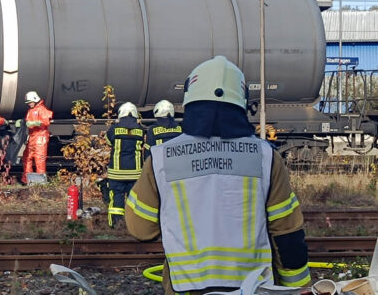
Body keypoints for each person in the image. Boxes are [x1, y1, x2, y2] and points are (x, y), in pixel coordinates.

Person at [125, 56, 309, 295]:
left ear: (189, 102)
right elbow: (287, 233)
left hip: (186, 288)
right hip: (253, 288)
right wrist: (297, 287)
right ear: (242, 104)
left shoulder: (161, 158)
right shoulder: (265, 157)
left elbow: (141, 229)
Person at [102, 102, 145, 227]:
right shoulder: (140, 130)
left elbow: (109, 142)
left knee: (116, 196)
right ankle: (135, 225)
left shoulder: (114, 129)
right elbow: (142, 144)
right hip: (135, 173)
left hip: (117, 172)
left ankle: (116, 224)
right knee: (134, 199)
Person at [21, 91, 53, 184]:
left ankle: (40, 182)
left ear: (35, 100)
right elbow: (28, 121)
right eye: (28, 103)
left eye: (30, 102)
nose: (29, 104)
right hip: (32, 137)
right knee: (27, 158)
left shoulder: (42, 109)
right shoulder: (31, 110)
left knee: (39, 160)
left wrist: (36, 123)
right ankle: (27, 179)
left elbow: (46, 122)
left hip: (40, 137)